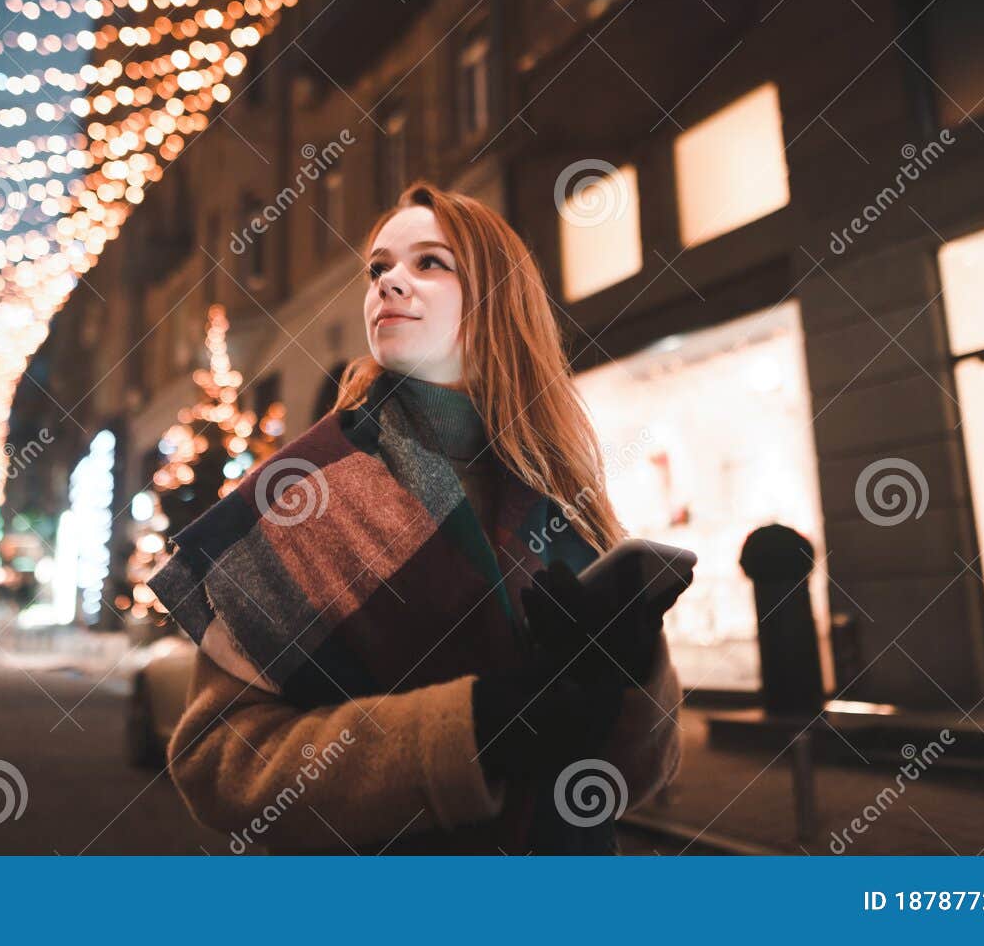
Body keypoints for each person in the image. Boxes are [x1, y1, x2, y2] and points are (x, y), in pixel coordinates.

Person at [148, 181, 687, 853]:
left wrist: (634, 678)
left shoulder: (558, 494)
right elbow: (217, 762)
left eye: (430, 263)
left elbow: (640, 774)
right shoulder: (304, 490)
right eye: (379, 268)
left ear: (497, 298)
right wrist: (472, 729)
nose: (390, 283)